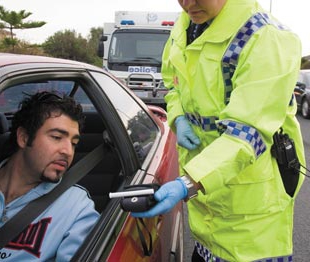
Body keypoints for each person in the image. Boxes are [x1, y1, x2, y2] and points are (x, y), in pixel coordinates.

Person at [131, 0, 306, 261]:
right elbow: (173, 84)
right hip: (205, 211)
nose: (187, 4)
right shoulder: (185, 26)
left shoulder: (266, 38)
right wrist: (178, 116)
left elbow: (248, 133)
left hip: (251, 220)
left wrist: (188, 183)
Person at [0, 91, 99, 261]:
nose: (68, 151)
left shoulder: (77, 208)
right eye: (56, 137)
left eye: (74, 144)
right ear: (24, 138)